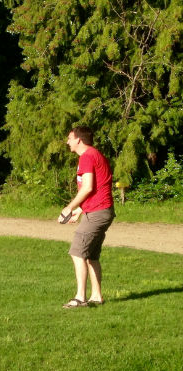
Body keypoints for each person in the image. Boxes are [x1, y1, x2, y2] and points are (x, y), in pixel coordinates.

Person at [58, 126, 115, 308]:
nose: (67, 142)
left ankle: (80, 297)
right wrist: (80, 210)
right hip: (100, 210)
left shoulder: (88, 156)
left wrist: (69, 207)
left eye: (69, 138)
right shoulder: (93, 155)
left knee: (77, 252)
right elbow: (98, 187)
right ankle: (96, 296)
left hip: (98, 212)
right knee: (91, 256)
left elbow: (88, 187)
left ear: (79, 140)